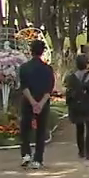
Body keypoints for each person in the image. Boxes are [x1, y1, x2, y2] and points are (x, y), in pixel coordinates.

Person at [17, 39, 55, 169]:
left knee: (25, 129)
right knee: (41, 131)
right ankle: (38, 159)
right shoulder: (48, 69)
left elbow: (24, 87)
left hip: (28, 102)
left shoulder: (24, 68)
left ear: (30, 51)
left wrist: (33, 103)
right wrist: (40, 104)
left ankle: (26, 154)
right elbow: (49, 89)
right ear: (42, 52)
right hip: (43, 103)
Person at [63, 53, 89, 161]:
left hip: (77, 107)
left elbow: (68, 93)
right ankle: (88, 151)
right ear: (86, 64)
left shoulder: (71, 78)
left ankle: (81, 151)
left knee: (79, 129)